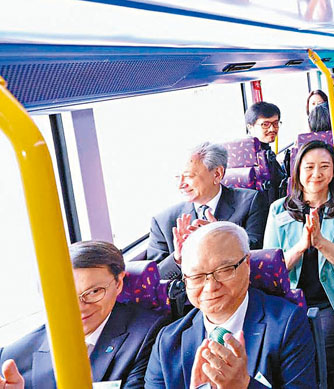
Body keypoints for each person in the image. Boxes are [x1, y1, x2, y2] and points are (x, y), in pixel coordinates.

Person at [145, 222, 316, 388]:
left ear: (247, 264)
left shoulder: (286, 324)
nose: (210, 287)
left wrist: (244, 386)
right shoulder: (167, 342)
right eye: (197, 277)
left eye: (224, 270)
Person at [263, 141, 334, 386]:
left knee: (321, 361)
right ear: (298, 172)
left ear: (333, 171)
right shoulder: (278, 210)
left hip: (333, 301)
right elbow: (271, 269)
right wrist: (301, 246)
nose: (317, 173)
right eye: (309, 167)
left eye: (324, 166)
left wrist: (320, 242)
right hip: (288, 303)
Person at [0, 241, 167, 389]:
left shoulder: (149, 334)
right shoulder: (12, 357)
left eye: (94, 292)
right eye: (65, 297)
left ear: (118, 283)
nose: (79, 308)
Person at [147, 142, 268, 280]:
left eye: (189, 176)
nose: (180, 185)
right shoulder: (163, 221)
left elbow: (259, 257)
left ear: (217, 174)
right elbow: (152, 279)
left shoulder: (250, 202)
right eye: (177, 177)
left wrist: (222, 239)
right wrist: (178, 259)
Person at [246, 101, 288, 204]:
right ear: (250, 127)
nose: (272, 129)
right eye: (265, 124)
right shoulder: (263, 158)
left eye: (275, 123)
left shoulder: (245, 152)